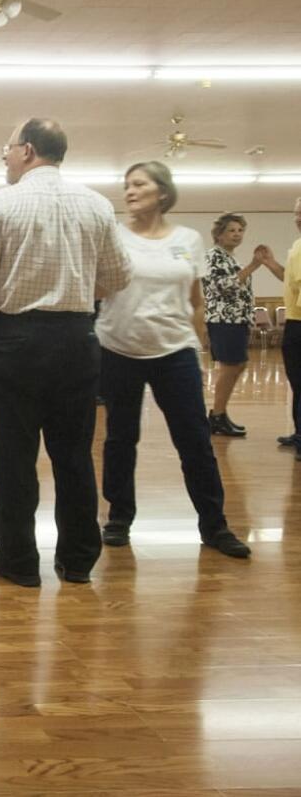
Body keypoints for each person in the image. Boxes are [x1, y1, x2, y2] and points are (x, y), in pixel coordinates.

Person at [0, 117, 133, 587]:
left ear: (27, 150)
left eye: (7, 149)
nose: (5, 157)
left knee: (13, 455)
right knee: (73, 455)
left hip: (17, 341)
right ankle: (77, 561)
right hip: (77, 339)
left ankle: (20, 561)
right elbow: (118, 276)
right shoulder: (96, 205)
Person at [96, 162, 251, 558]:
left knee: (195, 441)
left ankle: (214, 526)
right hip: (119, 349)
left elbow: (195, 301)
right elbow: (96, 290)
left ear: (162, 192)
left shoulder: (188, 239)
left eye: (139, 184)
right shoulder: (112, 237)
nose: (129, 191)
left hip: (175, 352)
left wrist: (199, 348)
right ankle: (118, 518)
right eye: (126, 185)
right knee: (120, 439)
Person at [203, 213, 283, 436]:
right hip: (224, 320)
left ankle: (220, 413)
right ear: (219, 235)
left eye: (240, 230)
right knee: (230, 367)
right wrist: (254, 265)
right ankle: (217, 416)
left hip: (237, 320)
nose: (237, 234)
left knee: (237, 365)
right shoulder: (214, 256)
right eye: (231, 230)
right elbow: (222, 286)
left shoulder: (231, 257)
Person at [258, 197, 301, 459]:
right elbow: (291, 278)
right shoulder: (297, 245)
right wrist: (270, 263)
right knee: (297, 383)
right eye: (296, 213)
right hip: (295, 323)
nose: (298, 218)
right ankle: (299, 432)